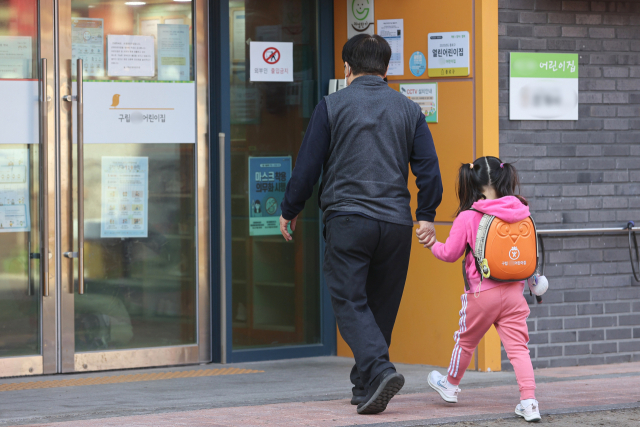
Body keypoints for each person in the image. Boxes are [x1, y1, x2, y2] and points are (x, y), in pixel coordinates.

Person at [279, 34, 442, 415]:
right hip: (396, 223)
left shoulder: (331, 106)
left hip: (349, 219)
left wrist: (290, 208)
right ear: (387, 69)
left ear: (347, 68)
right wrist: (427, 215)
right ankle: (366, 385)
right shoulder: (408, 110)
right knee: (380, 306)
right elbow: (428, 169)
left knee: (350, 301)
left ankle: (380, 370)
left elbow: (307, 166)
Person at [420, 156, 541, 423]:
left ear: (471, 180)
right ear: (503, 176)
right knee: (519, 349)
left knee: (465, 341)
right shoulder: (522, 210)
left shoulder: (469, 216)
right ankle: (529, 403)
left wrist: (432, 245)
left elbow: (450, 254)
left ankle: (450, 385)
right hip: (514, 293)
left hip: (481, 293)